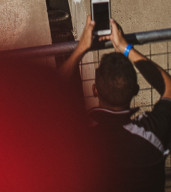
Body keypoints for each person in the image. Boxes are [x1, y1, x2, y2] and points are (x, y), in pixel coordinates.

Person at [60, 16, 171, 192]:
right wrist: (125, 47)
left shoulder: (79, 137)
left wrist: (81, 47)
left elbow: (45, 96)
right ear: (135, 90)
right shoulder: (152, 133)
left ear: (95, 90)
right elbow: (168, 87)